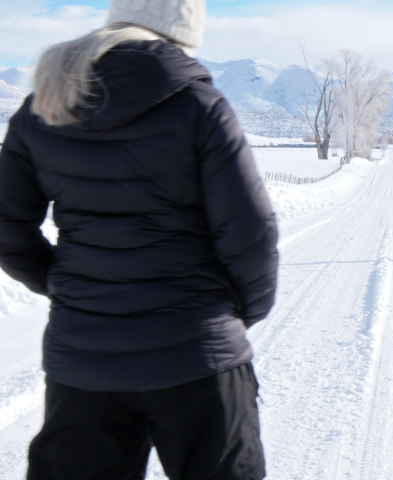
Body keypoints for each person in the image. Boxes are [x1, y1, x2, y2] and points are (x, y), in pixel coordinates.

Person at [0, 0, 278, 478]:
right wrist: (235, 313)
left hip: (83, 362)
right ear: (184, 33)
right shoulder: (199, 105)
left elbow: (6, 228)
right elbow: (249, 233)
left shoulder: (44, 104)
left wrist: (70, 287)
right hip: (197, 353)